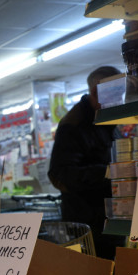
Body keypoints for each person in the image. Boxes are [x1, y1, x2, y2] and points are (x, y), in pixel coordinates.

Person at [48, 65, 124, 259]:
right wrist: (108, 172)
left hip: (110, 219)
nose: (120, 99)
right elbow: (60, 175)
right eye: (115, 93)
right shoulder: (73, 125)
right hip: (85, 224)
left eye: (121, 93)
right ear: (95, 92)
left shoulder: (109, 122)